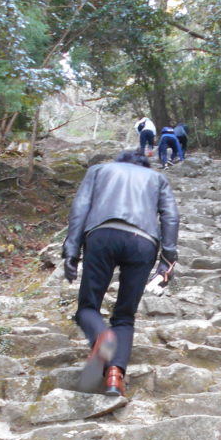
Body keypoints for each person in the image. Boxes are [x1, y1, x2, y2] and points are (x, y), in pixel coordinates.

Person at [62, 150, 179, 398]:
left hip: (102, 235)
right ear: (144, 165)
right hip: (143, 242)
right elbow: (170, 216)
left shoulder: (99, 171)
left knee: (88, 307)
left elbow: (80, 208)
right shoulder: (157, 178)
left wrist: (71, 250)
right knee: (125, 316)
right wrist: (167, 259)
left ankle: (102, 337)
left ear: (120, 162)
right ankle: (114, 376)